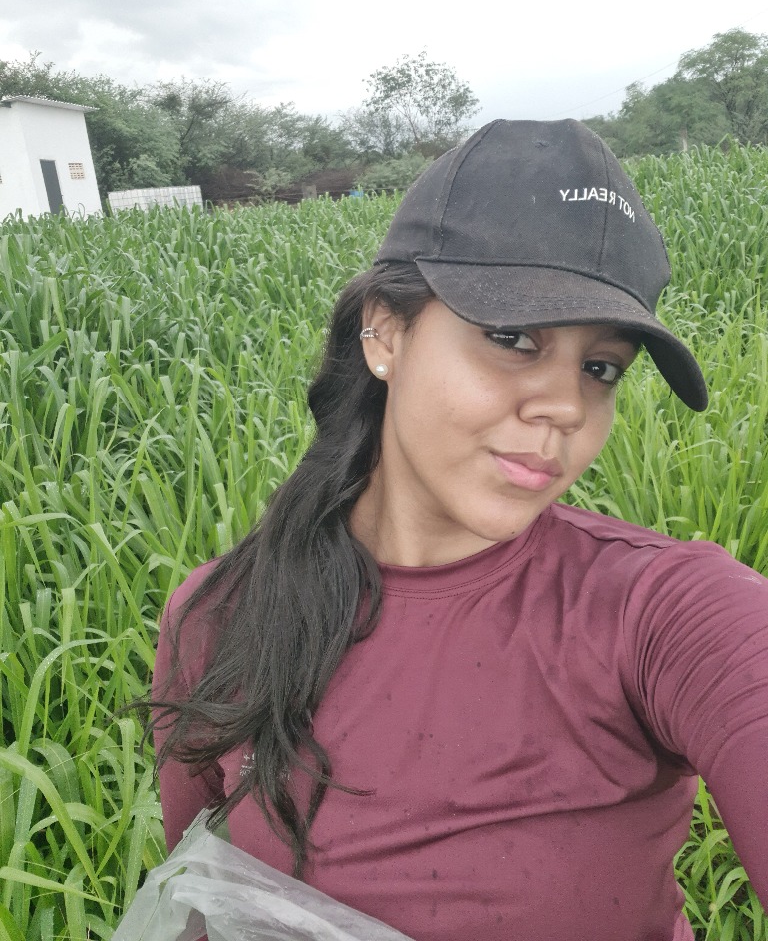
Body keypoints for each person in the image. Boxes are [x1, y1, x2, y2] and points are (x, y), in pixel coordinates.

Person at [151, 119, 768, 941]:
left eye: (601, 368)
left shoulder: (667, 610)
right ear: (386, 333)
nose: (567, 405)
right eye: (512, 338)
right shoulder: (223, 614)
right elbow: (200, 892)